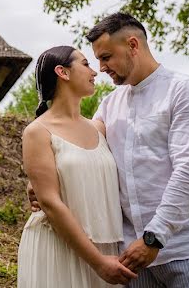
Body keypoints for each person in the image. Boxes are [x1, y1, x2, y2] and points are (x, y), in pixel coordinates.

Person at [31, 13, 189, 288]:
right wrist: (42, 179)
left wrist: (154, 238)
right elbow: (78, 147)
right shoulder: (110, 104)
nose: (101, 68)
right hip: (134, 263)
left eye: (106, 57)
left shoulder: (185, 93)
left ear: (132, 45)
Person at [18, 45, 137, 287]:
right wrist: (98, 263)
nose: (95, 72)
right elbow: (50, 203)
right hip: (58, 248)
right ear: (63, 72)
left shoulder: (99, 128)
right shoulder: (37, 132)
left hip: (108, 248)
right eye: (85, 64)